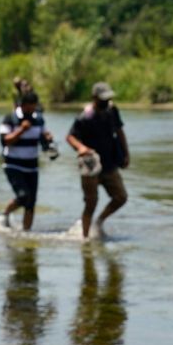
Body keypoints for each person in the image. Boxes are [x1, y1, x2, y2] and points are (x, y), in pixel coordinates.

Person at [65, 82, 130, 239]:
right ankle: (85, 238)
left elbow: (119, 131)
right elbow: (70, 137)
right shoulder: (84, 118)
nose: (106, 102)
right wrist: (81, 148)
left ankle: (99, 221)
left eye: (108, 99)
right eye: (102, 99)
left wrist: (126, 153)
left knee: (121, 197)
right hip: (90, 163)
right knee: (91, 203)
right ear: (94, 98)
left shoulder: (112, 111)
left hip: (109, 163)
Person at [0, 91, 53, 231]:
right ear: (22, 105)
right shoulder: (10, 118)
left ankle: (26, 233)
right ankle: (5, 213)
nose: (31, 110)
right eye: (29, 107)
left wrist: (47, 138)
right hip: (13, 164)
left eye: (34, 107)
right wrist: (21, 130)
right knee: (23, 196)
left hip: (32, 166)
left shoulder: (39, 119)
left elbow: (43, 140)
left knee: (31, 203)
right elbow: (5, 141)